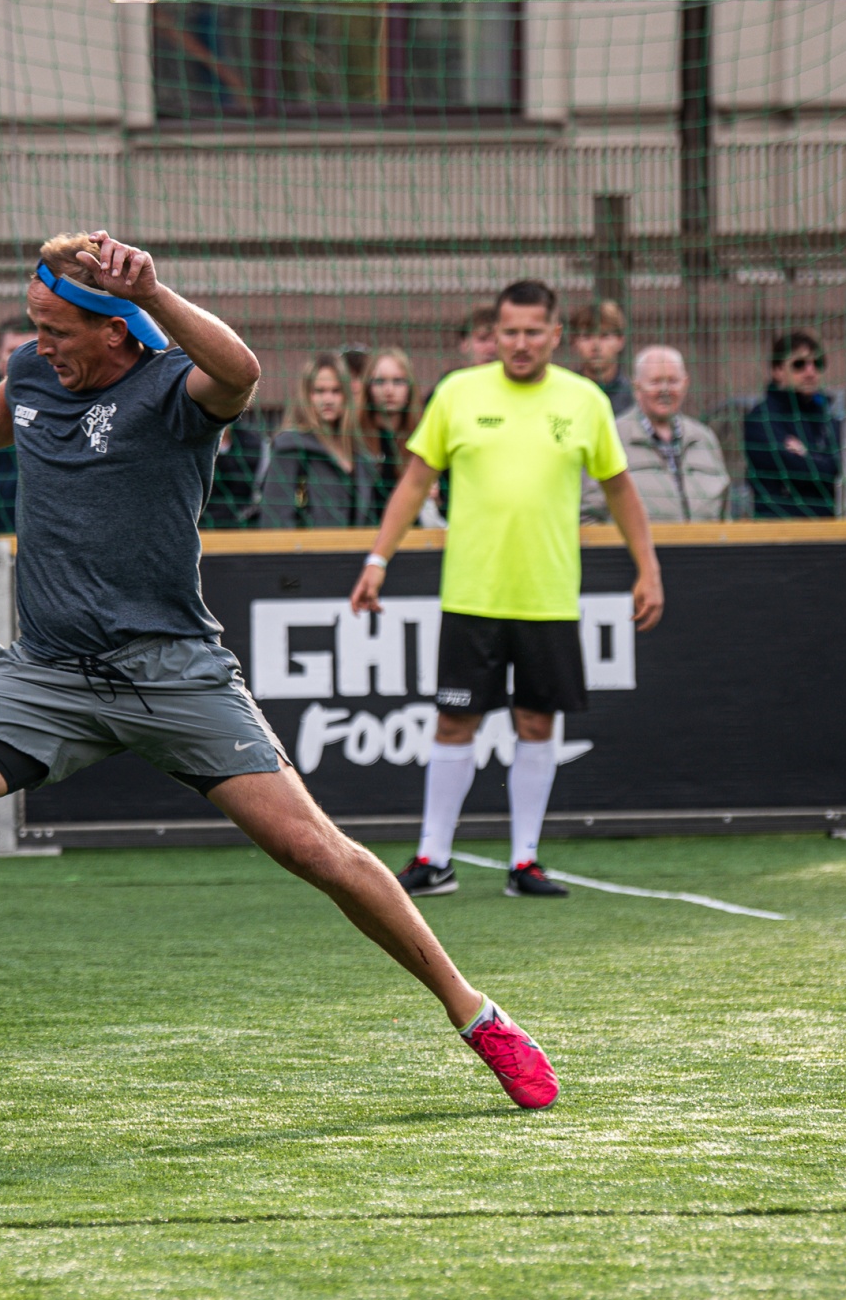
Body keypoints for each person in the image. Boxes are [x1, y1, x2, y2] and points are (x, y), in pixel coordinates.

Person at [0, 230, 562, 1112]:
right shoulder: (37, 371)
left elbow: (243, 372)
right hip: (44, 674)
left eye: (54, 329)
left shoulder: (176, 389)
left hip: (173, 674)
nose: (35, 345)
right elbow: (11, 404)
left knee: (316, 851)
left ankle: (476, 1014)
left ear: (116, 329)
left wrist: (153, 289)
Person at [355, 279, 664, 902]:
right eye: (509, 332)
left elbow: (620, 488)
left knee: (536, 721)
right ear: (493, 334)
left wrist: (648, 568)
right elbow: (415, 482)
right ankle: (433, 860)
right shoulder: (458, 393)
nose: (520, 343)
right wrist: (378, 558)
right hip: (472, 595)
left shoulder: (584, 401)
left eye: (532, 332)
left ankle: (525, 862)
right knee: (454, 721)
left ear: (555, 335)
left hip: (548, 597)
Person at [582, 347, 731, 522]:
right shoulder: (612, 436)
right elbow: (588, 516)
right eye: (655, 382)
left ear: (685, 383)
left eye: (673, 381)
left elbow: (724, 514)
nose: (665, 390)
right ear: (636, 387)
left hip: (706, 540)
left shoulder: (704, 438)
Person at [254, 353, 374, 528]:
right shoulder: (290, 447)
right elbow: (275, 519)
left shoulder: (359, 452)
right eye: (320, 391)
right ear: (307, 395)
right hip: (304, 545)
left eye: (336, 391)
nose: (328, 399)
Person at [743, 330, 842, 519]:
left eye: (817, 364)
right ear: (778, 370)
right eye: (799, 365)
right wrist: (820, 460)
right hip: (778, 528)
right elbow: (801, 470)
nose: (810, 372)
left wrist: (806, 454)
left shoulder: (826, 418)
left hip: (828, 525)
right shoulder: (761, 419)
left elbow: (842, 466)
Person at [361, 346, 423, 506]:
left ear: (410, 386)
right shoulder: (354, 438)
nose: (389, 390)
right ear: (368, 387)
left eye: (398, 381)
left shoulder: (423, 436)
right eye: (380, 381)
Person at [568, 299, 632, 415]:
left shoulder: (635, 398)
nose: (596, 346)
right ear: (574, 342)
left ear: (621, 340)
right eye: (586, 336)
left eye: (605, 336)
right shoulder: (564, 394)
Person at [449, 303, 498, 373]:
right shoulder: (452, 378)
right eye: (483, 339)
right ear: (464, 343)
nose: (491, 347)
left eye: (497, 341)